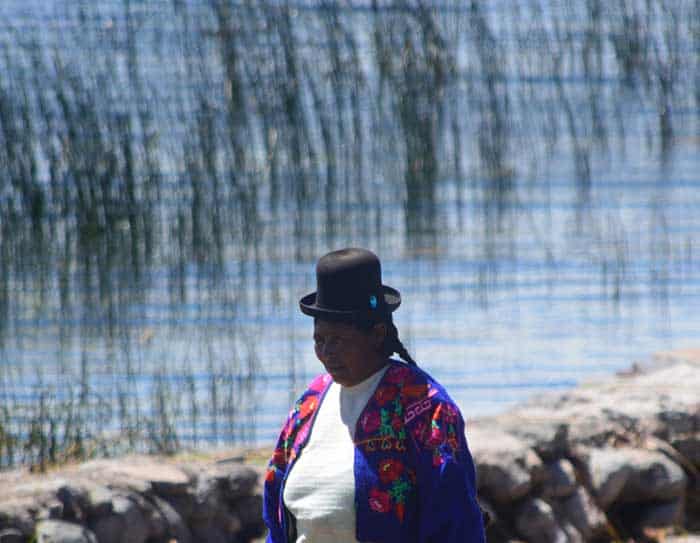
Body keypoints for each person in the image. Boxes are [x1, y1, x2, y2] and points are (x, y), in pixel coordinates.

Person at [263, 248, 486, 543]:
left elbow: (456, 523)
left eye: (339, 340)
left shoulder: (424, 406)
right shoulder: (310, 403)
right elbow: (276, 516)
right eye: (320, 339)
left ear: (377, 333)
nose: (327, 353)